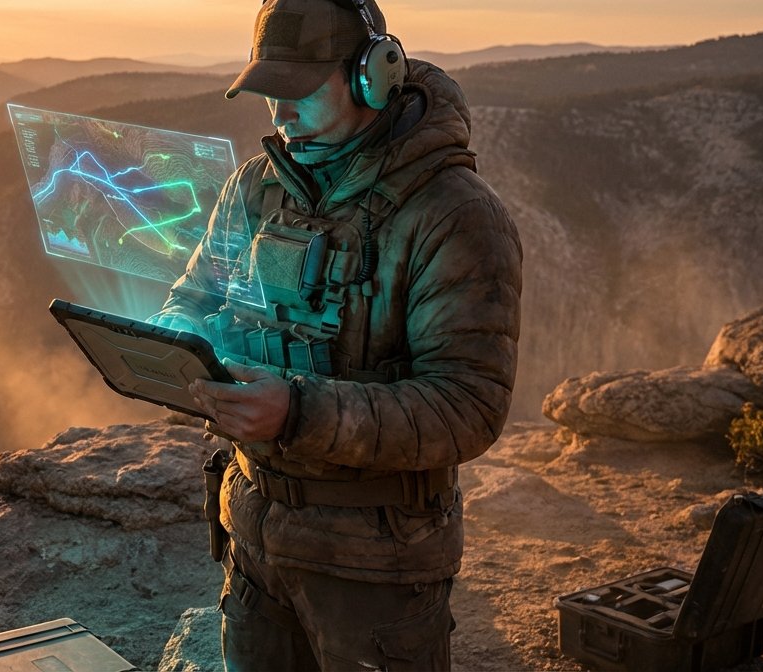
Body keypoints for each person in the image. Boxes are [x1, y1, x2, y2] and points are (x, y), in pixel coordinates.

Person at [147, 0, 522, 669]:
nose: (280, 115)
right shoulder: (255, 189)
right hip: (254, 540)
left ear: (372, 75)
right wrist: (173, 343)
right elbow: (195, 296)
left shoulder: (455, 215)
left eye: (297, 93)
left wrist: (299, 411)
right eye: (268, 94)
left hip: (376, 570)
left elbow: (470, 406)